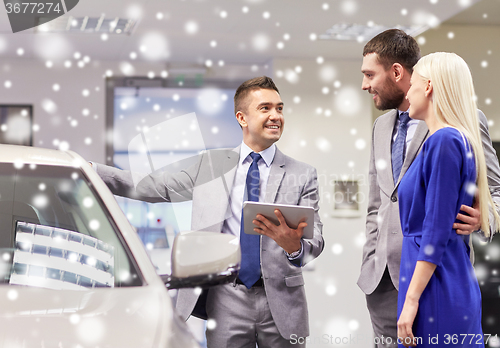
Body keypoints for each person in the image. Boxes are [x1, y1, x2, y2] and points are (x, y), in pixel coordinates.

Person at [92, 76, 324, 348]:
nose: (276, 116)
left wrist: (294, 247)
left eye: (280, 108)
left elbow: (316, 240)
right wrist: (91, 171)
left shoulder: (303, 174)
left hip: (283, 300)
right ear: (242, 117)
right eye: (265, 108)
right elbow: (155, 187)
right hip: (226, 298)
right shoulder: (210, 165)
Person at [358, 29, 500, 347]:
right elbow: (377, 202)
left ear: (397, 72)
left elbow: (492, 189)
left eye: (369, 74)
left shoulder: (456, 126)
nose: (364, 85)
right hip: (383, 277)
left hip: (434, 270)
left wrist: (484, 216)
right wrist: (370, 256)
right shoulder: (380, 127)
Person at [396, 52, 499, 347]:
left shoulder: (445, 141)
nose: (408, 91)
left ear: (428, 86)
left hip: (435, 281)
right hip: (431, 273)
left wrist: (412, 298)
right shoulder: (445, 139)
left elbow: (436, 230)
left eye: (412, 82)